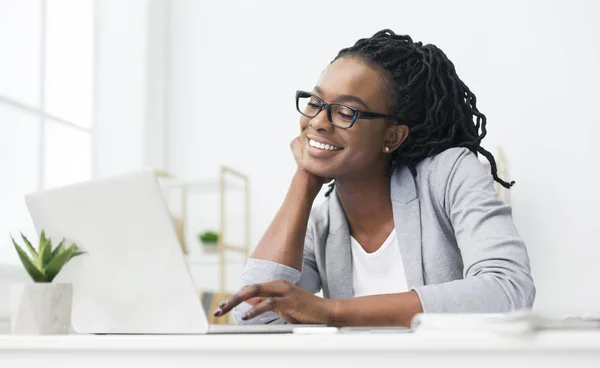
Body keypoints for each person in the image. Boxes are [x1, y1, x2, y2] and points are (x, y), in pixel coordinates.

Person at [213, 29, 535, 327]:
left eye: (345, 112)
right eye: (315, 103)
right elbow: (253, 317)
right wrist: (303, 181)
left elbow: (507, 290)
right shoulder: (322, 225)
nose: (319, 122)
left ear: (392, 136)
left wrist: (331, 311)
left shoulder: (449, 174)